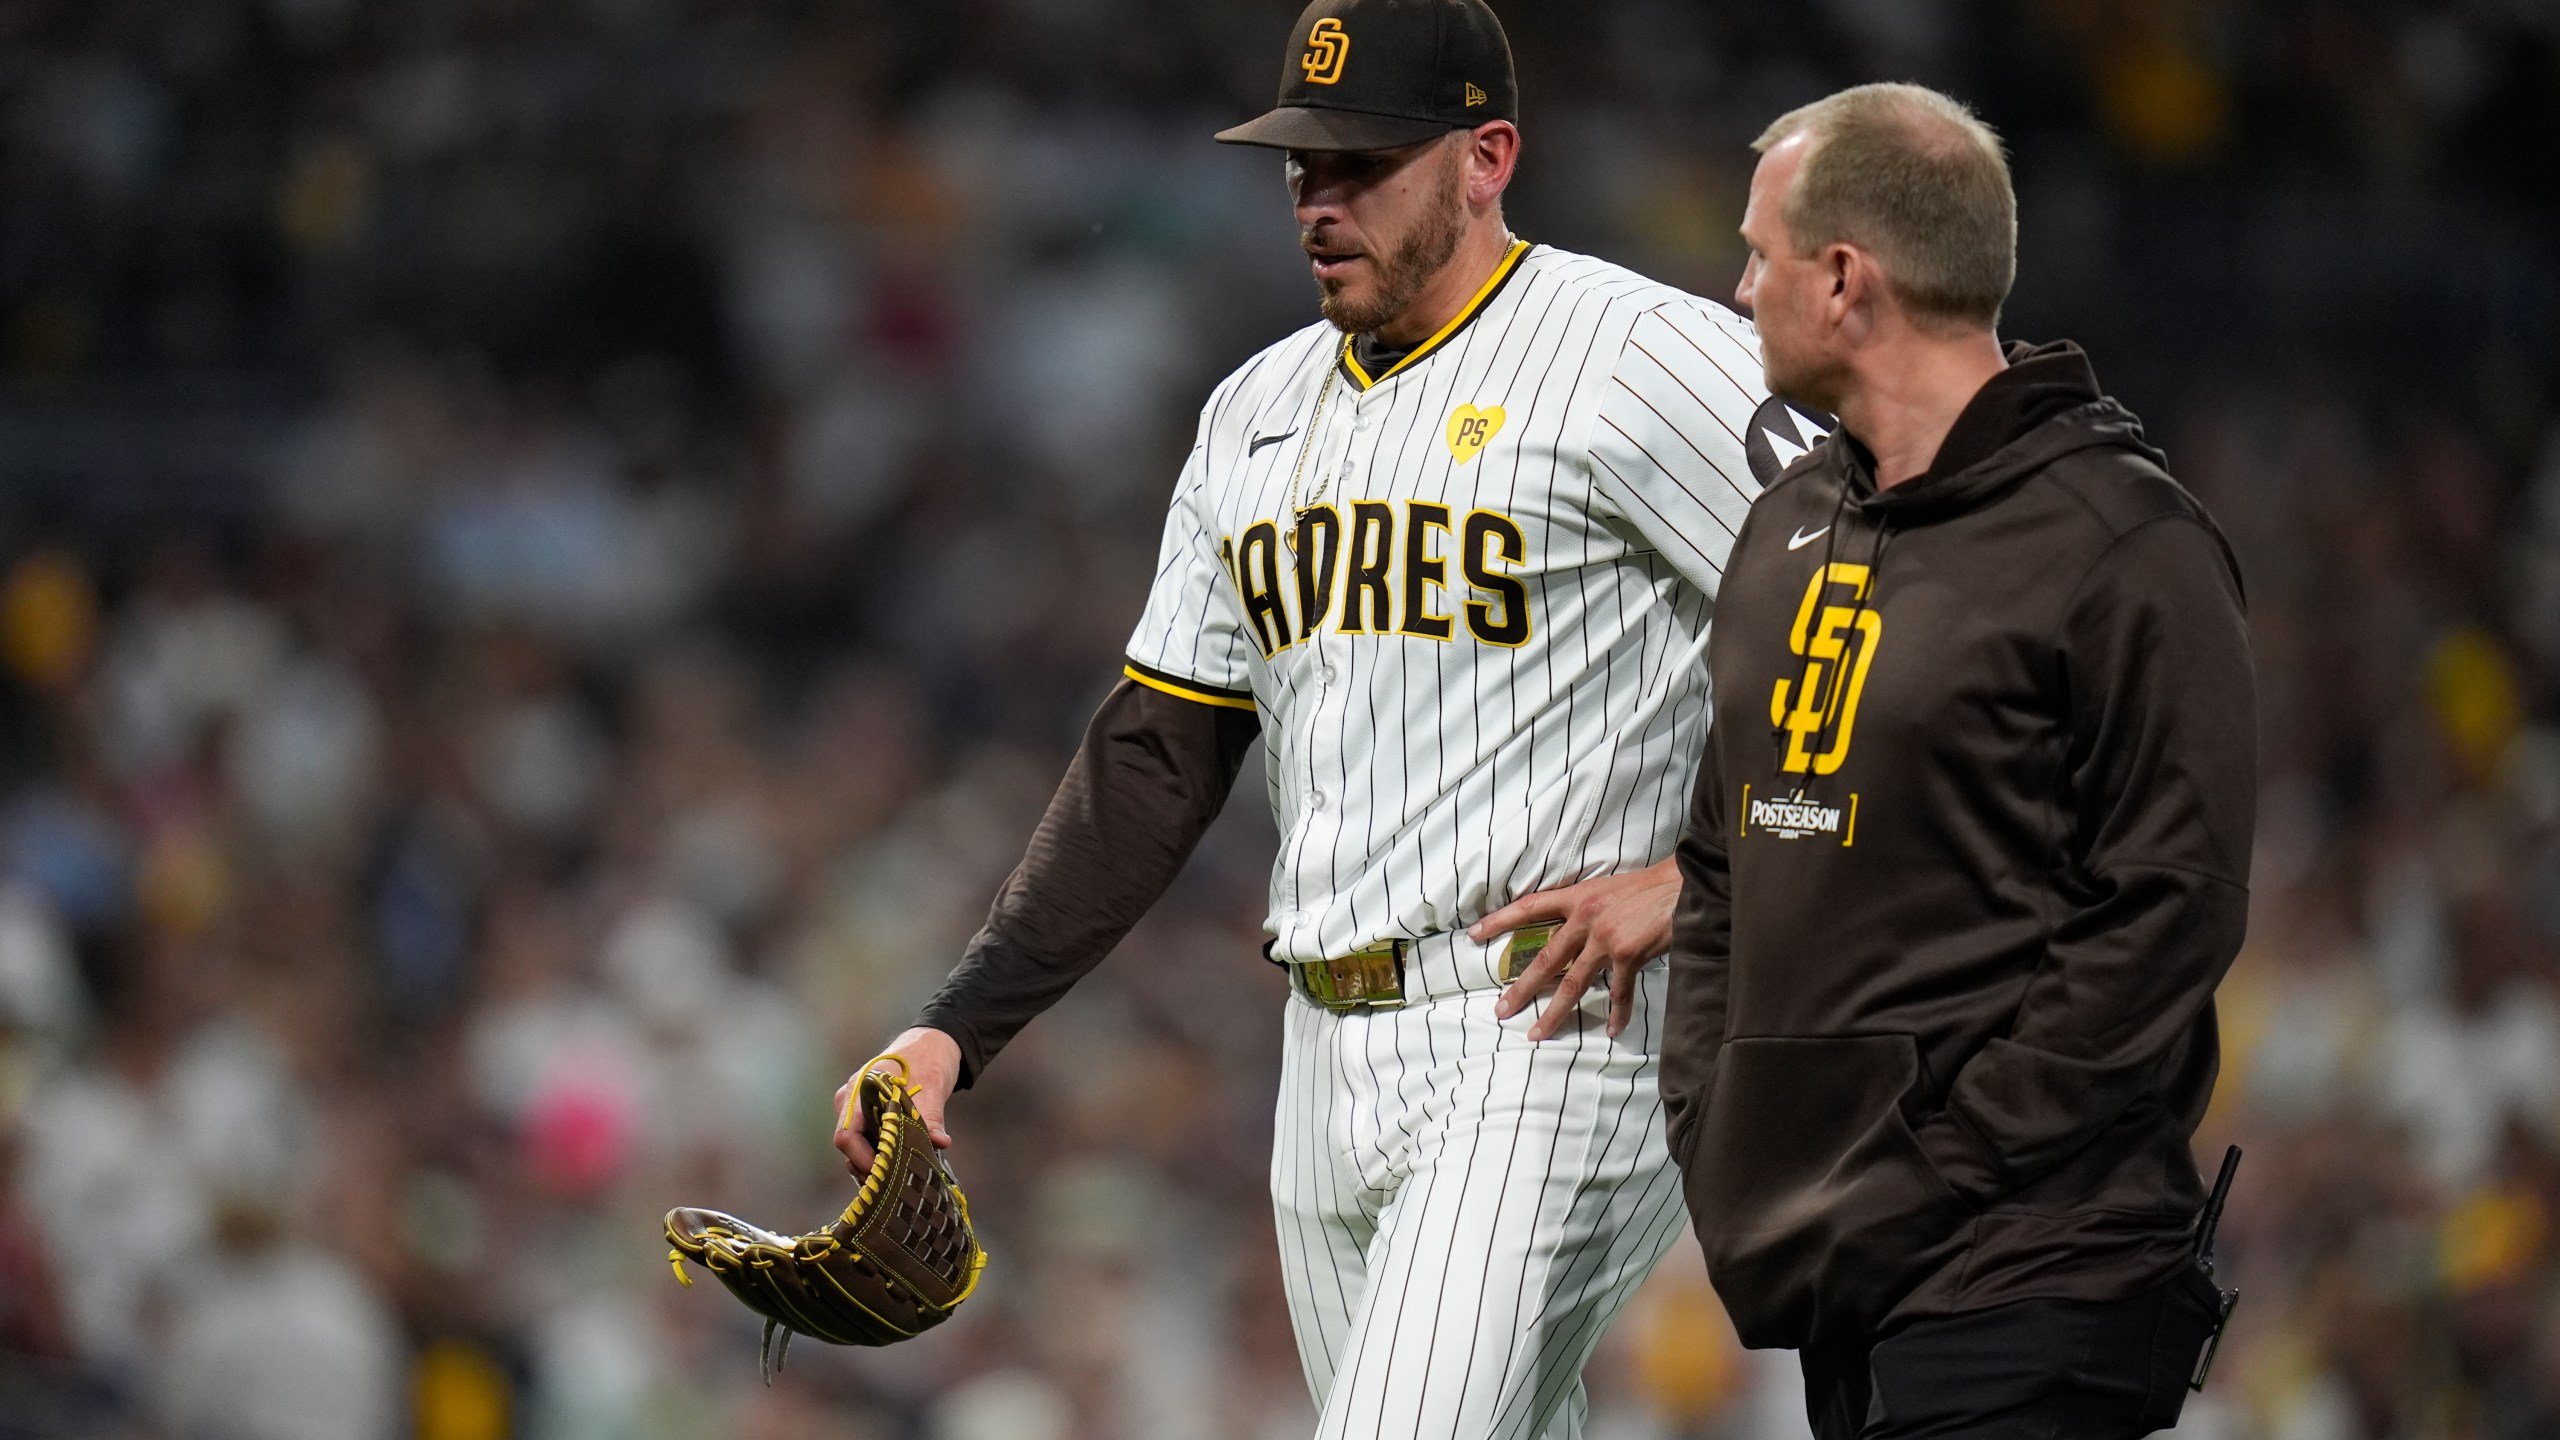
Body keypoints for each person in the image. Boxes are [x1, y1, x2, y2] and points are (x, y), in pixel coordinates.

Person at [830, 1, 1771, 1434]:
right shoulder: (1252, 413)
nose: (1321, 203)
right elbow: (1161, 753)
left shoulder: (1637, 355)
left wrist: (1712, 877)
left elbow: (1889, 594)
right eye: (1300, 170)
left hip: (1556, 1030)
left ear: (1486, 157)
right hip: (1322, 1058)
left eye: (1365, 163)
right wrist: (957, 1030)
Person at [1662, 82, 2257, 1440]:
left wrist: (1933, 1166)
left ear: (1844, 279)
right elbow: (1721, 862)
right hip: (1844, 1274)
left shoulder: (2126, 545)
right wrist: (1716, 1127)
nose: (1738, 287)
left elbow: (2169, 917)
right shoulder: (1789, 523)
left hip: (2040, 1273)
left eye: (1759, 255)